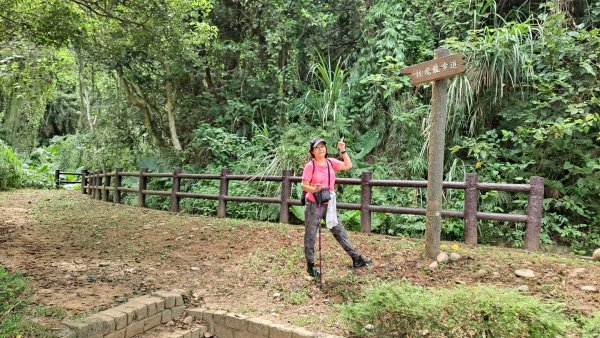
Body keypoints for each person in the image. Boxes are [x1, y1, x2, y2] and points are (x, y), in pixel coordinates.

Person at [301, 136, 372, 279]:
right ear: (312, 151)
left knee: (339, 231)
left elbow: (348, 165)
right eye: (317, 147)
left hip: (329, 204)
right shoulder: (310, 166)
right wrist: (314, 189)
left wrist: (342, 150)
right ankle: (311, 266)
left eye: (323, 146)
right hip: (314, 205)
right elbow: (304, 185)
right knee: (310, 235)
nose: (321, 149)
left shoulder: (330, 163)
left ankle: (356, 259)